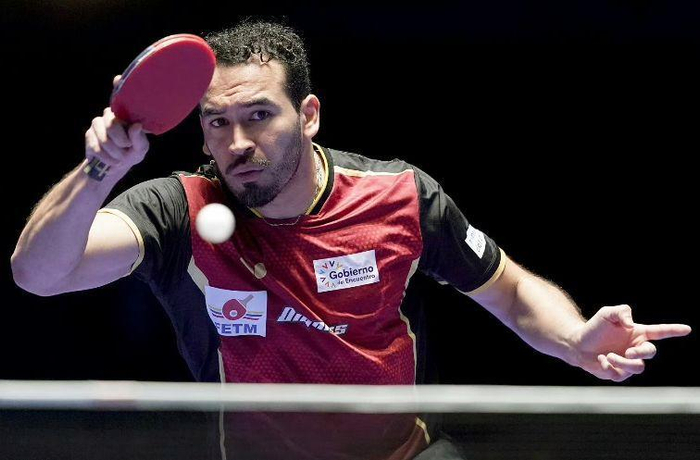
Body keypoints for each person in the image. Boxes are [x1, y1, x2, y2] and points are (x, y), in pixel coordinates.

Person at [10, 20, 692, 460]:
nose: (238, 142)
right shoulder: (177, 211)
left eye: (259, 114)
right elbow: (39, 274)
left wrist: (573, 339)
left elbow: (510, 291)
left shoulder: (399, 197)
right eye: (217, 123)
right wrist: (101, 170)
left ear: (308, 115)